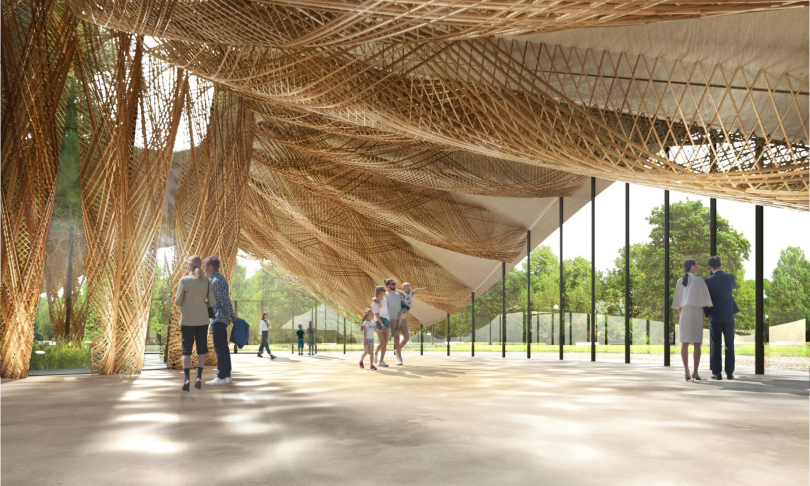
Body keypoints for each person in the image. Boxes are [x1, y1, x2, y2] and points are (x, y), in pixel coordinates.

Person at [174, 255, 216, 391]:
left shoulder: (184, 280)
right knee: (201, 348)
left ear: (190, 266)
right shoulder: (207, 282)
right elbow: (212, 302)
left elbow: (178, 302)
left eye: (187, 263)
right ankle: (198, 377)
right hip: (203, 320)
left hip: (187, 320)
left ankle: (186, 379)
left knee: (186, 349)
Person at [672, 258, 713, 381]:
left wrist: (681, 315)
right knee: (696, 343)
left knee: (684, 343)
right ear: (692, 266)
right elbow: (707, 300)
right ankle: (695, 372)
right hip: (695, 313)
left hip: (684, 313)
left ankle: (686, 371)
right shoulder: (699, 280)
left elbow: (678, 303)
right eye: (696, 265)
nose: (698, 267)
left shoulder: (680, 281)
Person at [704, 256, 740, 380]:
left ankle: (717, 373)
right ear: (721, 264)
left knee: (716, 345)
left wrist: (707, 314)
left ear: (710, 267)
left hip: (715, 316)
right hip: (729, 315)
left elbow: (705, 300)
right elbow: (731, 290)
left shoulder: (707, 281)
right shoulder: (730, 278)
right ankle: (729, 373)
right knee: (730, 344)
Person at [204, 255, 236, 386]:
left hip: (218, 318)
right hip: (220, 317)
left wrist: (230, 314)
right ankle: (227, 375)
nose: (204, 268)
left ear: (211, 266)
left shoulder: (214, 281)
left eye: (205, 265)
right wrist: (230, 314)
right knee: (223, 347)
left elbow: (222, 300)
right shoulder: (220, 279)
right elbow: (225, 299)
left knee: (219, 348)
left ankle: (221, 376)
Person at [384, 278, 408, 366]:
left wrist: (405, 310)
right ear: (388, 286)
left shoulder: (399, 295)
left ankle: (397, 350)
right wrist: (374, 300)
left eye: (395, 283)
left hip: (403, 318)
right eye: (393, 284)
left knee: (406, 338)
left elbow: (404, 304)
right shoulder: (385, 295)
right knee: (397, 339)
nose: (395, 285)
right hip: (393, 319)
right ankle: (399, 358)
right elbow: (378, 298)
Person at [372, 286, 390, 367]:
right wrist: (382, 324)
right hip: (379, 321)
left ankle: (381, 361)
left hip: (387, 320)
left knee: (385, 343)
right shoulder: (375, 301)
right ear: (379, 291)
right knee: (382, 342)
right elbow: (376, 314)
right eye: (383, 290)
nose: (384, 291)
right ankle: (376, 353)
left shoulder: (386, 299)